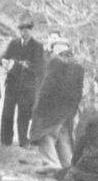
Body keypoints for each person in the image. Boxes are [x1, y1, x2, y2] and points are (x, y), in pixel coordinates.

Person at [29, 38, 84, 169]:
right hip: (68, 110)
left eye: (55, 47)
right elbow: (78, 92)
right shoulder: (78, 66)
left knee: (44, 135)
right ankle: (68, 165)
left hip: (51, 108)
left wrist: (38, 108)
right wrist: (73, 109)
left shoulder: (54, 62)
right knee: (62, 136)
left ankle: (51, 164)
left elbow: (48, 87)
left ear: (57, 48)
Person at [0, 20, 44, 147]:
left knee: (24, 114)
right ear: (19, 31)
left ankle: (23, 140)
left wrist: (26, 65)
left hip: (27, 86)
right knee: (7, 112)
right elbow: (4, 57)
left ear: (31, 30)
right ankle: (5, 139)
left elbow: (39, 66)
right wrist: (3, 61)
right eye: (22, 30)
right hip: (12, 83)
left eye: (27, 30)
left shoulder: (37, 46)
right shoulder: (13, 43)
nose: (24, 32)